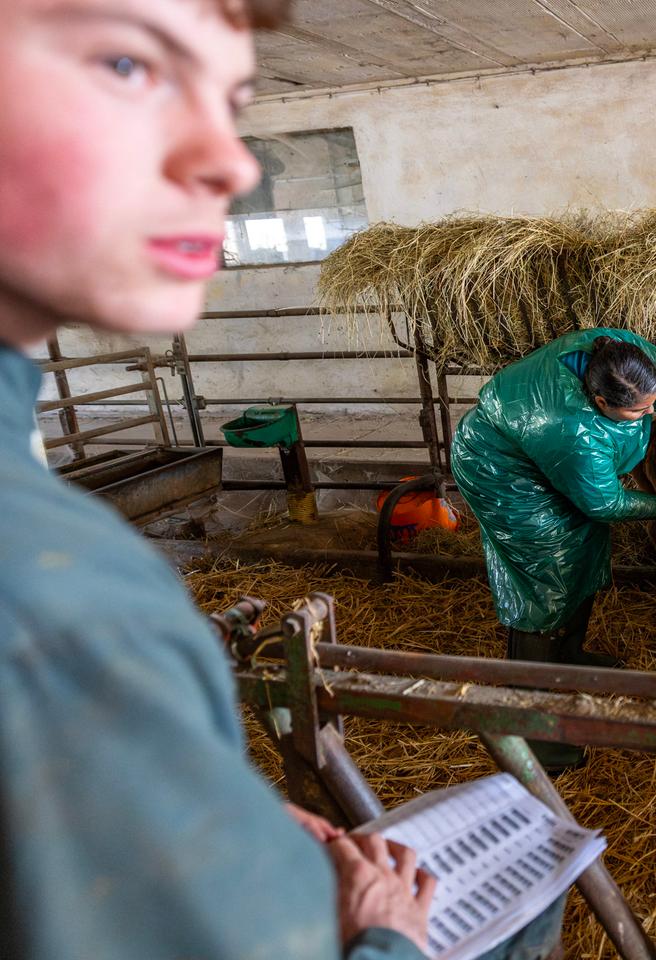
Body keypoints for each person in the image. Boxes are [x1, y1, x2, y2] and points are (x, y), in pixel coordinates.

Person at [0, 1, 432, 957]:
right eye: (125, 65)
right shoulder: (57, 611)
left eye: (231, 99)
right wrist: (389, 939)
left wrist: (218, 816)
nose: (234, 166)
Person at [450, 327, 656, 767]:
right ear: (602, 403)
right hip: (505, 473)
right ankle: (533, 734)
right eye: (640, 411)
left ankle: (569, 653)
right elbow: (603, 501)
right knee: (544, 583)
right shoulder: (571, 430)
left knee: (582, 549)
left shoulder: (628, 361)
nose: (652, 411)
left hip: (546, 457)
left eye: (651, 400)